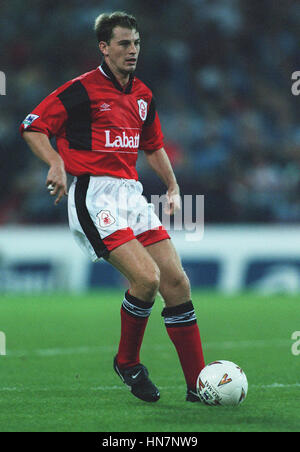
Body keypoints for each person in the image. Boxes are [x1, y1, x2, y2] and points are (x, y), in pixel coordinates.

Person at [20, 11, 205, 403]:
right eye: (123, 43)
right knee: (146, 279)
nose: (132, 50)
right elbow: (33, 125)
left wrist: (172, 185)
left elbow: (152, 146)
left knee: (176, 282)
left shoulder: (142, 95)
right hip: (93, 194)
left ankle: (198, 386)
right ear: (104, 48)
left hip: (131, 194)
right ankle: (127, 362)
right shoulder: (79, 90)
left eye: (136, 43)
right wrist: (55, 162)